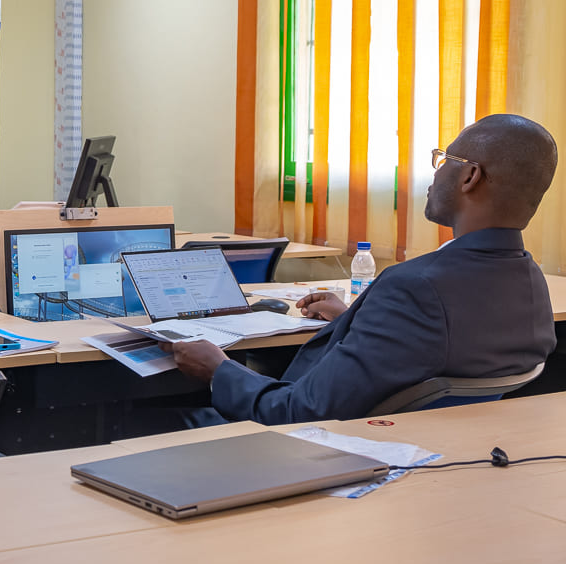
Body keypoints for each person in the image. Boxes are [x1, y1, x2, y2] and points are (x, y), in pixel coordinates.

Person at [165, 114, 559, 425]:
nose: (436, 172)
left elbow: (300, 413)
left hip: (319, 449)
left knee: (147, 422)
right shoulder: (529, 280)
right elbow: (441, 346)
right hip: (434, 449)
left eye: (444, 160)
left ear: (470, 176)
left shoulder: (415, 287)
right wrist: (357, 319)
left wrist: (219, 369)